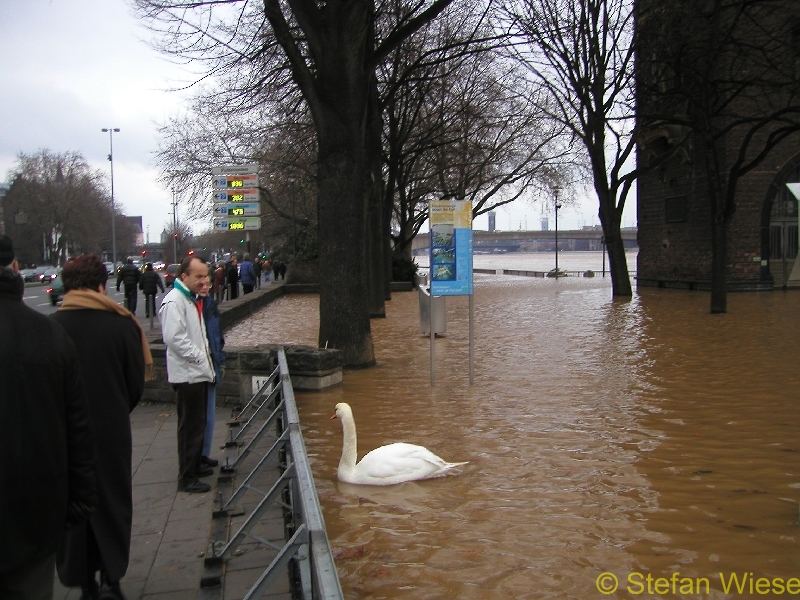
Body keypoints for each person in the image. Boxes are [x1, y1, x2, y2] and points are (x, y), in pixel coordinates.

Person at [0, 235, 98, 600]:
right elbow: (78, 428)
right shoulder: (49, 334)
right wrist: (79, 501)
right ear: (14, 269)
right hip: (35, 514)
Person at [52, 254, 151, 600]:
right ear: (101, 284)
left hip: (63, 436)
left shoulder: (52, 328)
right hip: (110, 432)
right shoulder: (123, 326)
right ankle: (112, 577)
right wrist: (115, 409)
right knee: (112, 503)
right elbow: (135, 383)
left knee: (72, 505)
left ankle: (84, 583)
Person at [159, 256, 216, 494]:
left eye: (206, 276)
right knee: (189, 428)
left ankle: (195, 466)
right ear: (184, 277)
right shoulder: (175, 301)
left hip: (196, 373)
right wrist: (199, 357)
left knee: (197, 423)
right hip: (188, 375)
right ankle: (187, 477)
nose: (204, 281)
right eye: (199, 277)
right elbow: (174, 338)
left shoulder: (189, 299)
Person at [197, 276, 226, 468]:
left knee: (209, 414)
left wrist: (220, 359)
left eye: (207, 282)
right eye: (200, 281)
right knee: (198, 416)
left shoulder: (210, 305)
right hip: (198, 366)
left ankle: (204, 454)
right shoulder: (189, 305)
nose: (205, 286)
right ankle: (195, 458)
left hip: (212, 363)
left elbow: (217, 336)